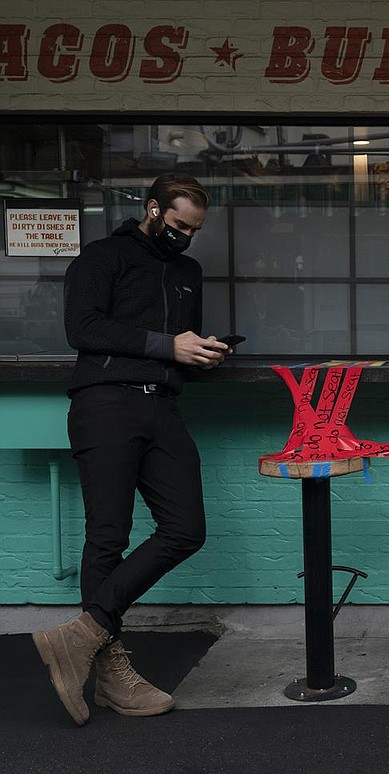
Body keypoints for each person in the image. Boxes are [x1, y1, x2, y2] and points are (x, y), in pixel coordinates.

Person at [32, 173, 230, 726]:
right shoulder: (103, 256)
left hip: (162, 406)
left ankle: (82, 634)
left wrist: (201, 351)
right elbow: (82, 327)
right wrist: (167, 344)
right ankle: (111, 670)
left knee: (186, 528)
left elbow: (180, 341)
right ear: (152, 209)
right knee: (108, 536)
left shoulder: (188, 272)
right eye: (178, 225)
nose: (185, 237)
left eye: (194, 230)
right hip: (105, 404)